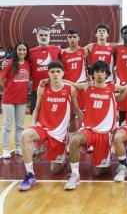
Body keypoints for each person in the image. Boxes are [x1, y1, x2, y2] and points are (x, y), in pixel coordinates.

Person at [64, 61, 127, 190]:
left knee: (97, 172)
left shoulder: (112, 87)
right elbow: (72, 84)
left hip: (104, 134)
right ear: (93, 74)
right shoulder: (88, 87)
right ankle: (75, 175)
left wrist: (117, 99)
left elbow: (126, 89)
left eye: (102, 72)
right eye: (97, 71)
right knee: (74, 139)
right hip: (89, 130)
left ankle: (105, 157)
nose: (99, 74)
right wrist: (50, 80)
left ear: (106, 74)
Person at [18, 61, 81, 191]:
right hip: (43, 127)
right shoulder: (42, 87)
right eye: (52, 72)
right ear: (48, 73)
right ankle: (30, 175)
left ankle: (62, 157)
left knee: (55, 170)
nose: (55, 74)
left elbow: (77, 111)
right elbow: (37, 108)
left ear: (63, 73)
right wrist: (33, 125)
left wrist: (86, 127)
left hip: (59, 134)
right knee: (25, 135)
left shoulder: (70, 89)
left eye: (58, 71)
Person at [0, 42, 30, 158]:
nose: (22, 52)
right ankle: (6, 149)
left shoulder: (28, 64)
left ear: (27, 51)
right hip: (9, 99)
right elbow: (1, 79)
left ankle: (18, 147)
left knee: (20, 126)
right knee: (7, 125)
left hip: (22, 100)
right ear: (15, 51)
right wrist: (9, 87)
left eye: (24, 50)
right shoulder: (10, 63)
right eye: (19, 50)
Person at [60, 29, 88, 131]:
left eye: (74, 37)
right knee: (70, 115)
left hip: (81, 86)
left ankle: (83, 138)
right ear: (67, 38)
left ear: (78, 38)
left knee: (83, 113)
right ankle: (71, 140)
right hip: (68, 86)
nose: (72, 39)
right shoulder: (62, 53)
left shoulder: (84, 51)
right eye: (70, 37)